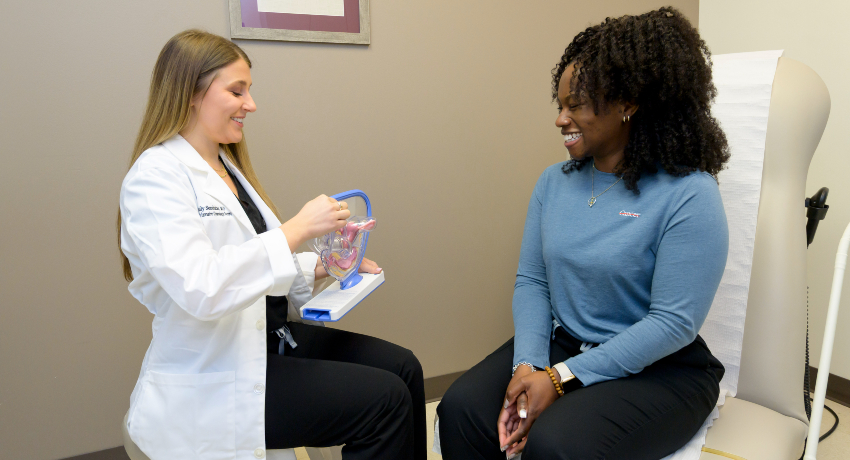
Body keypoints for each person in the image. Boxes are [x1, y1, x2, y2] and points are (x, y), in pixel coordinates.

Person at [437, 7, 730, 460]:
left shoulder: (690, 194)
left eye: (576, 105)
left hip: (662, 371)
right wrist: (528, 365)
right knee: (459, 409)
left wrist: (559, 378)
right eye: (560, 105)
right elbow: (533, 282)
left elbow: (672, 323)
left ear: (628, 104)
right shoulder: (554, 182)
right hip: (565, 344)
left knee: (557, 445)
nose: (561, 119)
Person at [118, 30, 425, 460]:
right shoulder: (155, 178)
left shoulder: (227, 167)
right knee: (385, 401)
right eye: (236, 90)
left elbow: (255, 265)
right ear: (191, 92)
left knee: (404, 368)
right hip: (217, 369)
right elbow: (202, 287)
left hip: (268, 338)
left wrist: (325, 265)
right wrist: (296, 228)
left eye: (250, 90)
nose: (251, 104)